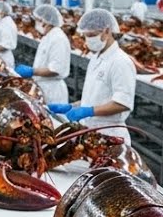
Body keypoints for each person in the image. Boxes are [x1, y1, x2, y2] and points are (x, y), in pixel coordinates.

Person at [47, 9, 135, 146]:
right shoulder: (96, 58)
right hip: (91, 131)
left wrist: (89, 111)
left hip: (110, 133)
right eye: (85, 36)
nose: (88, 41)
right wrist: (72, 106)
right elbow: (95, 97)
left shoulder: (120, 62)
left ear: (107, 31)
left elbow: (122, 103)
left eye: (92, 35)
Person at [15, 4, 71, 104]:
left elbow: (55, 69)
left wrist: (31, 71)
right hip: (43, 86)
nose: (36, 24)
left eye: (37, 20)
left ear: (45, 21)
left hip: (52, 90)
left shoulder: (58, 39)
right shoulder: (48, 36)